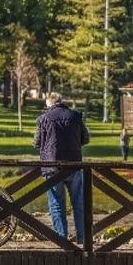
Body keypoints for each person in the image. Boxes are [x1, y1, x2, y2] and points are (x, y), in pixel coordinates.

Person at [33, 91, 91, 243]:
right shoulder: (75, 116)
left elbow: (36, 142)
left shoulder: (43, 119)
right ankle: (83, 238)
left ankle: (62, 239)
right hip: (74, 164)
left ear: (48, 104)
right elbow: (86, 138)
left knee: (56, 204)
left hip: (52, 166)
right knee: (79, 203)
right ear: (61, 101)